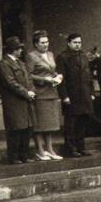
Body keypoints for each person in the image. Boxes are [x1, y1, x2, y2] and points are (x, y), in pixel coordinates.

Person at [26, 30, 64, 161]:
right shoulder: (31, 56)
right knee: (39, 124)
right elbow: (28, 75)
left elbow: (52, 70)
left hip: (51, 92)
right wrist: (44, 79)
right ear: (36, 44)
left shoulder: (50, 54)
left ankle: (50, 149)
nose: (46, 44)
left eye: (47, 42)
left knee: (50, 123)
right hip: (40, 92)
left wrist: (57, 76)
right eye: (42, 42)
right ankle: (40, 150)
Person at [0, 37, 36, 164]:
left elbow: (29, 79)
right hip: (14, 101)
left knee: (26, 128)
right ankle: (14, 156)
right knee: (15, 129)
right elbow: (11, 83)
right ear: (13, 50)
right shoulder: (4, 64)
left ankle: (24, 155)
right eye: (19, 48)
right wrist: (26, 93)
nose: (21, 51)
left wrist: (31, 91)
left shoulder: (21, 63)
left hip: (25, 100)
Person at [56, 33, 95, 157]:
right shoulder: (62, 57)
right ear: (69, 43)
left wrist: (92, 92)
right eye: (75, 42)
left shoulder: (83, 56)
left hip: (85, 94)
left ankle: (81, 147)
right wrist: (64, 96)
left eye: (79, 42)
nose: (78, 45)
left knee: (83, 122)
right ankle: (70, 148)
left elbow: (88, 76)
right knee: (71, 123)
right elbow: (61, 79)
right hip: (72, 95)